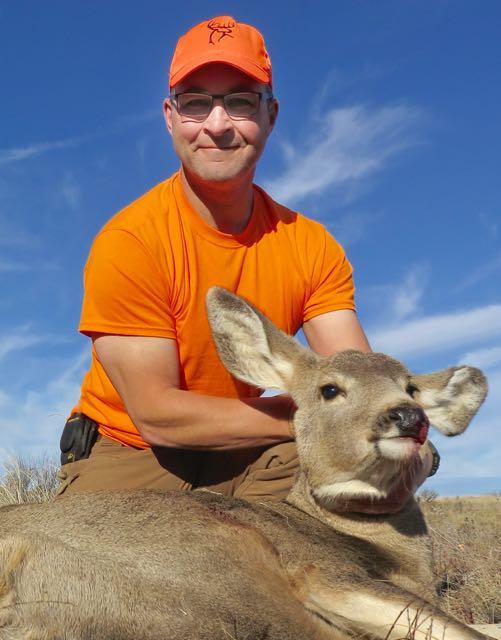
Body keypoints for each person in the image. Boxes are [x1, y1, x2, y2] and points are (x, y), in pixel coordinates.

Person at [57, 16, 435, 509]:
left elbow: (356, 374)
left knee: (366, 480)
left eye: (239, 101)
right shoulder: (130, 240)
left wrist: (388, 432)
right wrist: (326, 416)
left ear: (271, 115)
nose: (217, 125)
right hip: (135, 449)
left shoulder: (311, 246)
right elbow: (156, 413)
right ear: (170, 116)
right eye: (196, 103)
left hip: (251, 451)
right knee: (102, 576)